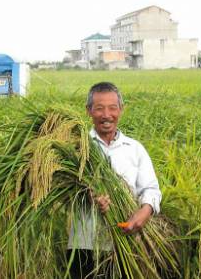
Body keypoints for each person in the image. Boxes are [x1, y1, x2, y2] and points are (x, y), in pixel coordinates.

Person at [67, 82, 162, 278]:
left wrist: (145, 212)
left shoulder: (134, 149)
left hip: (127, 244)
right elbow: (63, 191)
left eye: (112, 108)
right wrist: (87, 196)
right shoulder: (76, 149)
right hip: (84, 246)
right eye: (99, 108)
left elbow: (151, 189)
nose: (106, 115)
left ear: (121, 109)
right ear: (88, 111)